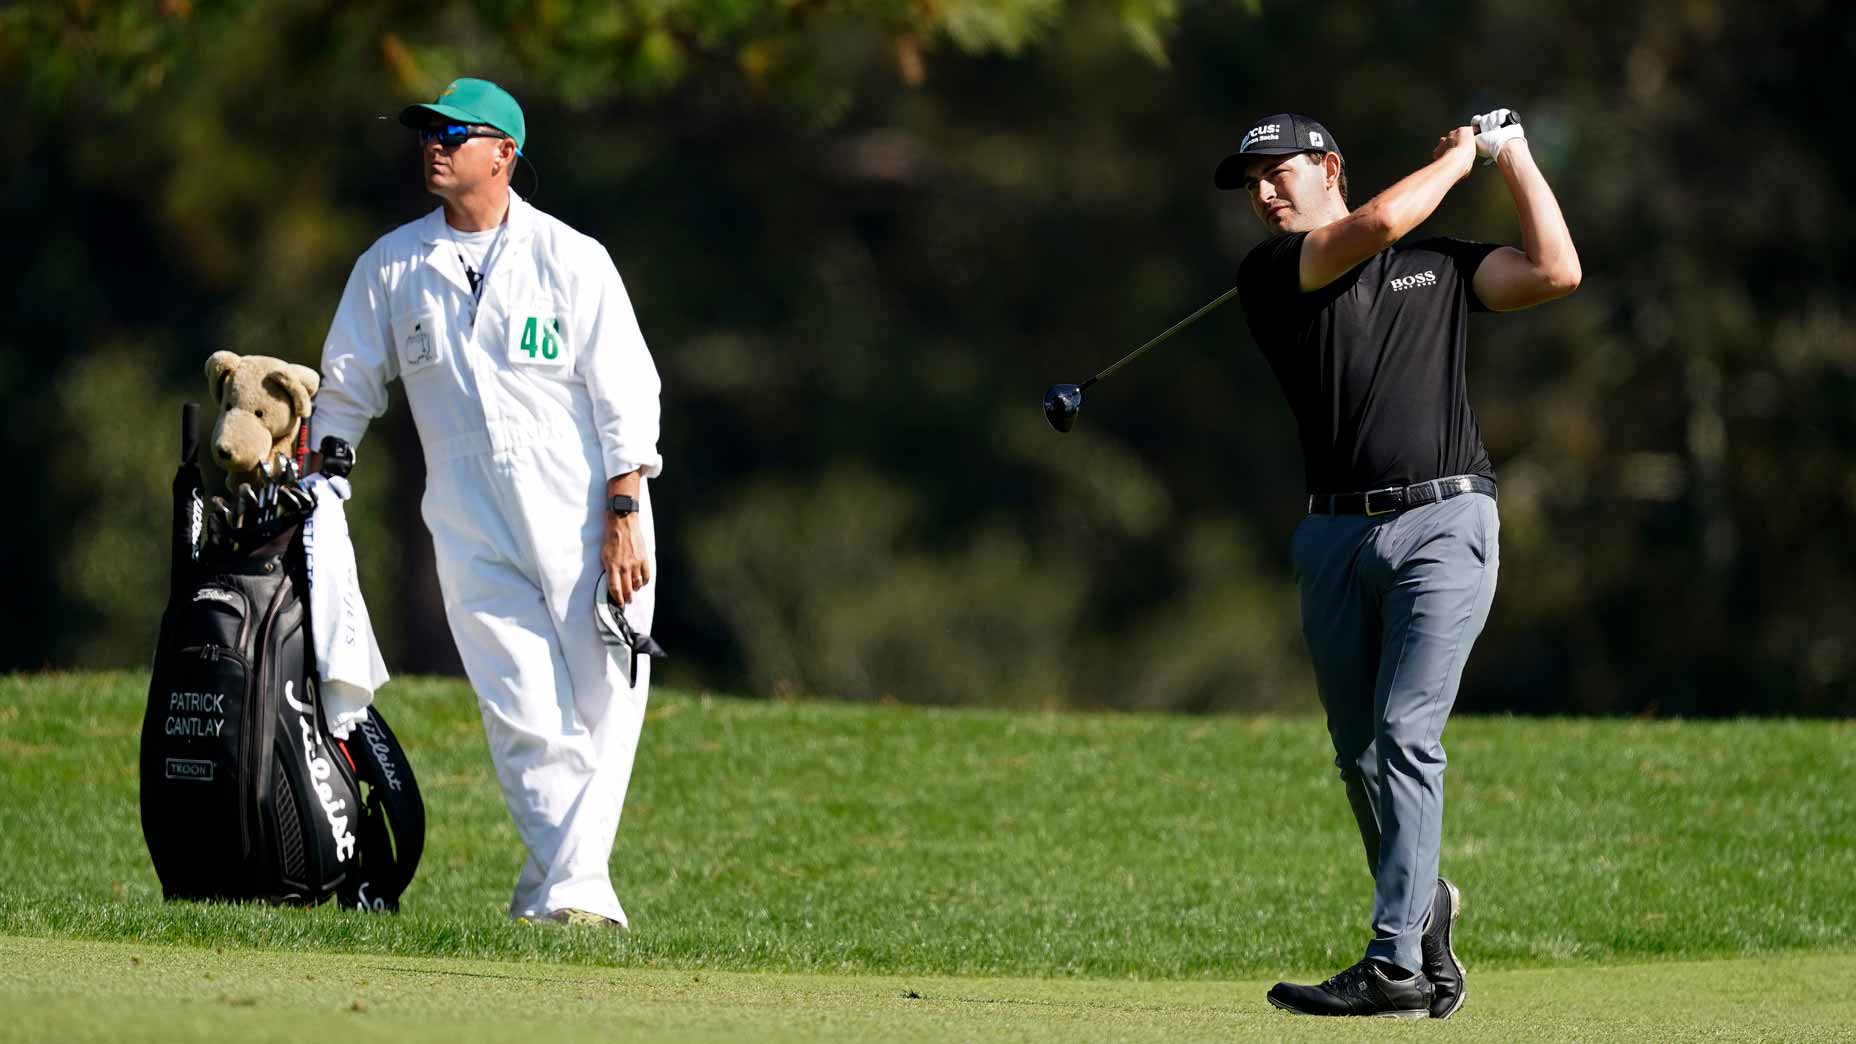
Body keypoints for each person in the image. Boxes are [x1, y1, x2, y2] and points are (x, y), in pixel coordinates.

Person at [1216, 110, 1579, 1017]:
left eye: (1278, 171)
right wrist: (1458, 159)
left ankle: (1394, 967)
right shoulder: (1271, 272)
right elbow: (1374, 225)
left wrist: (1515, 157)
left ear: (1328, 165)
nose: (1263, 192)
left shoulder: (1444, 262)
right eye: (1251, 181)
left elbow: (1556, 272)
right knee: (1361, 755)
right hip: (1334, 537)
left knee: (1408, 736)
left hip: (1446, 525)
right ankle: (1423, 920)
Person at [310, 77, 664, 929]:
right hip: (466, 514)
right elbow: (346, 391)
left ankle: (562, 891)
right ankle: (571, 894)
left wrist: (623, 511)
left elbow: (627, 392)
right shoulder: (391, 266)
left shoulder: (572, 259)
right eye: (427, 133)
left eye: (454, 133)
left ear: (503, 153)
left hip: (586, 509)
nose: (433, 144)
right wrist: (321, 481)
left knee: (605, 706)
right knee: (521, 712)